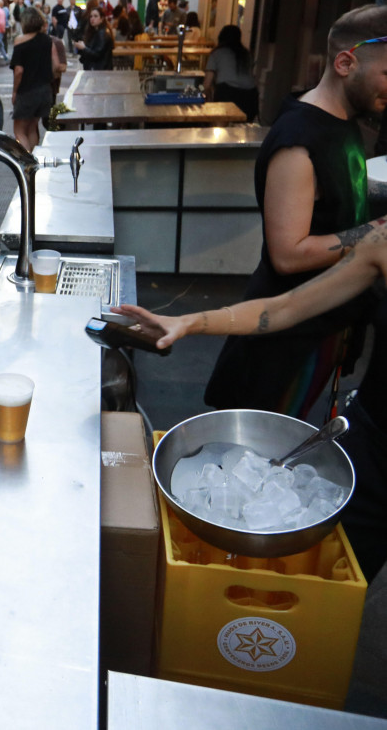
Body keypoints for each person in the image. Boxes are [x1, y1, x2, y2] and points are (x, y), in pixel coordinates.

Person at [114, 215, 387, 583]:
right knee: (335, 578)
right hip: (372, 441)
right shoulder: (382, 239)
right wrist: (187, 322)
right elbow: (287, 306)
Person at [202, 5, 387, 418]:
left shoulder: (343, 121)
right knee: (258, 450)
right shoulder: (299, 141)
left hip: (324, 323)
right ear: (345, 62)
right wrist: (376, 233)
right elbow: (288, 254)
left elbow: (337, 202)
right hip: (284, 339)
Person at [10, 8, 58, 152]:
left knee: (19, 131)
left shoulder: (20, 40)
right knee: (32, 128)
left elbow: (18, 70)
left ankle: (28, 165)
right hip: (44, 91)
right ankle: (36, 163)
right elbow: (55, 66)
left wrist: (14, 91)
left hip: (26, 91)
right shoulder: (47, 40)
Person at [204, 24, 258, 121]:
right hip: (250, 95)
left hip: (227, 93)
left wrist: (206, 99)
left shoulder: (217, 53)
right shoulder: (246, 53)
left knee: (223, 129)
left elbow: (207, 84)